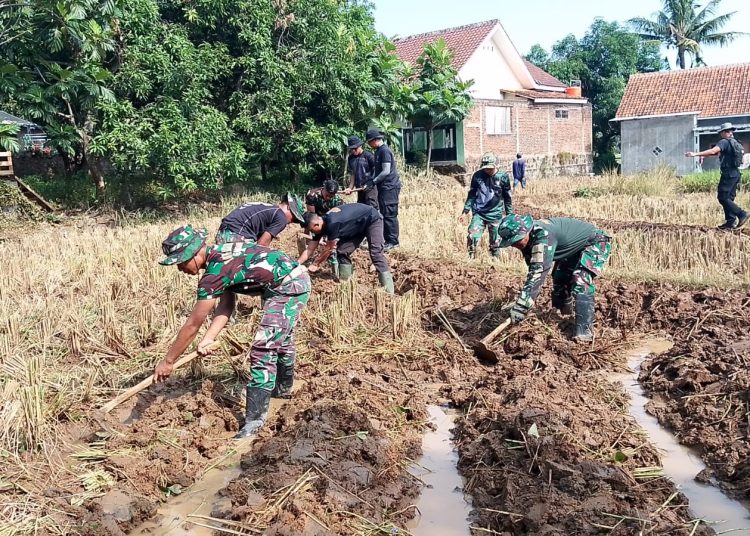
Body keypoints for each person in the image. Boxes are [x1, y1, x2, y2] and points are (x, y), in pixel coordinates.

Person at [153, 225, 310, 438]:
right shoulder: (220, 257)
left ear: (195, 254)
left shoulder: (213, 274)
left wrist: (169, 361)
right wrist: (208, 340)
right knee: (280, 340)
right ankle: (282, 390)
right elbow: (226, 306)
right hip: (289, 280)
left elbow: (193, 323)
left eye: (180, 262)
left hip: (288, 286)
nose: (180, 269)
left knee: (264, 347)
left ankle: (254, 421)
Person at [496, 214, 612, 342]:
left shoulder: (543, 237)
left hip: (594, 242)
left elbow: (538, 273)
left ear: (526, 231)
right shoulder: (528, 241)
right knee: (559, 277)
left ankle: (584, 332)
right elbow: (533, 272)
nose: (515, 245)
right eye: (512, 243)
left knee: (580, 279)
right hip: (573, 250)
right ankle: (561, 317)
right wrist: (523, 301)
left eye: (517, 240)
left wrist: (522, 307)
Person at [300, 203, 394, 293]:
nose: (312, 232)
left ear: (316, 224)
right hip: (357, 225)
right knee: (342, 251)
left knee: (376, 253)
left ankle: (388, 291)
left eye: (312, 230)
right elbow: (309, 249)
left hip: (372, 219)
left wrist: (316, 264)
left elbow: (329, 248)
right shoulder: (321, 225)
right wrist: (297, 264)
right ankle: (345, 283)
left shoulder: (332, 222)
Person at [686, 122, 748, 230]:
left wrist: (695, 154)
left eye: (722, 132)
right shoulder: (736, 143)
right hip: (736, 173)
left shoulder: (724, 142)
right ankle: (730, 222)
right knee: (729, 198)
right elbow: (740, 160)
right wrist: (704, 156)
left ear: (724, 133)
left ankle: (742, 214)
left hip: (728, 174)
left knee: (722, 197)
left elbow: (714, 150)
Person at [459, 152, 513, 258]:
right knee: (472, 236)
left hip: (495, 214)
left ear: (495, 166)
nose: (487, 170)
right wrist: (465, 211)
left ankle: (495, 262)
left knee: (496, 242)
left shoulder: (503, 177)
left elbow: (507, 198)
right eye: (485, 168)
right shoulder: (477, 176)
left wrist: (509, 214)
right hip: (479, 213)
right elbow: (471, 195)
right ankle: (471, 258)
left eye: (490, 168)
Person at [216, 193, 306, 244]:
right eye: (294, 218)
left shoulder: (267, 208)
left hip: (223, 233)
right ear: (289, 207)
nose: (290, 222)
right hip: (236, 235)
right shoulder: (281, 216)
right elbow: (262, 245)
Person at [366, 129, 401, 251]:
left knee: (389, 214)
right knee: (384, 213)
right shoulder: (378, 151)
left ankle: (393, 241)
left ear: (375, 140)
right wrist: (371, 180)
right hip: (383, 187)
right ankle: (387, 240)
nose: (369, 145)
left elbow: (386, 171)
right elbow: (377, 170)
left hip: (390, 187)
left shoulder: (385, 151)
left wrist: (374, 181)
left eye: (370, 142)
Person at [300, 180, 344, 278]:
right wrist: (315, 237)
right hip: (316, 220)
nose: (328, 198)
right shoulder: (312, 196)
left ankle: (333, 264)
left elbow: (339, 218)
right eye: (327, 195)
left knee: (332, 246)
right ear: (323, 188)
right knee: (312, 243)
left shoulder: (338, 200)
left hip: (332, 221)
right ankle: (308, 258)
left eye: (331, 196)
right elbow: (312, 218)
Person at [344, 136, 378, 209]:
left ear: (360, 146)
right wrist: (350, 188)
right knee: (361, 209)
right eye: (351, 149)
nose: (353, 151)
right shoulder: (351, 158)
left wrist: (370, 183)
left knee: (372, 208)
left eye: (355, 148)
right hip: (360, 189)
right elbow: (353, 174)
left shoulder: (369, 156)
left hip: (370, 188)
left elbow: (376, 171)